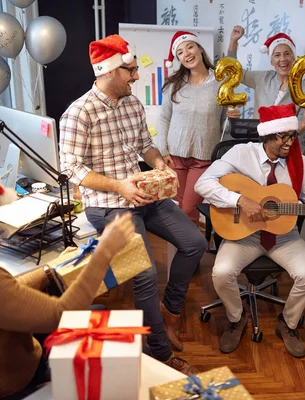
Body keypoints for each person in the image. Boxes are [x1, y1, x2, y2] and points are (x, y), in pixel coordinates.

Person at [0, 153, 135, 399]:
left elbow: (6, 292)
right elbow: (61, 314)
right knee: (121, 335)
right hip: (18, 378)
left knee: (98, 311)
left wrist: (51, 269)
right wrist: (104, 253)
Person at [60, 34, 206, 374]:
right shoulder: (79, 113)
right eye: (130, 70)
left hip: (144, 196)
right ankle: (159, 351)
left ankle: (167, 313)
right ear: (109, 72)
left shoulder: (132, 104)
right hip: (109, 204)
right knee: (145, 274)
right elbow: (70, 169)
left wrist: (158, 164)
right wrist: (119, 186)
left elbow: (145, 144)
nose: (136, 76)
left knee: (195, 242)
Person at [195, 103, 305, 358]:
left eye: (292, 136)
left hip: (283, 237)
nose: (289, 142)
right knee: (221, 273)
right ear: (267, 135)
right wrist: (240, 201)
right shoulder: (240, 153)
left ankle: (289, 324)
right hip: (244, 235)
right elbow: (202, 184)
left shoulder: (300, 164)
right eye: (283, 136)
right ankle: (237, 318)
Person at [157, 31, 239, 223]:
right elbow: (164, 118)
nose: (186, 53)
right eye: (180, 52)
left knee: (188, 208)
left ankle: (192, 248)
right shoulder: (174, 84)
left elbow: (224, 127)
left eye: (190, 47)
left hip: (203, 159)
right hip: (175, 157)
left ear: (200, 49)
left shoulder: (221, 84)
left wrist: (232, 119)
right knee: (177, 209)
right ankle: (188, 249)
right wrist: (163, 150)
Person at [227, 29, 305, 155]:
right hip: (258, 146)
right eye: (277, 55)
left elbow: (300, 128)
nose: (283, 59)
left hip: (287, 150)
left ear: (294, 57)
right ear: (271, 60)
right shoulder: (262, 79)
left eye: (287, 54)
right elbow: (233, 71)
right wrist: (233, 41)